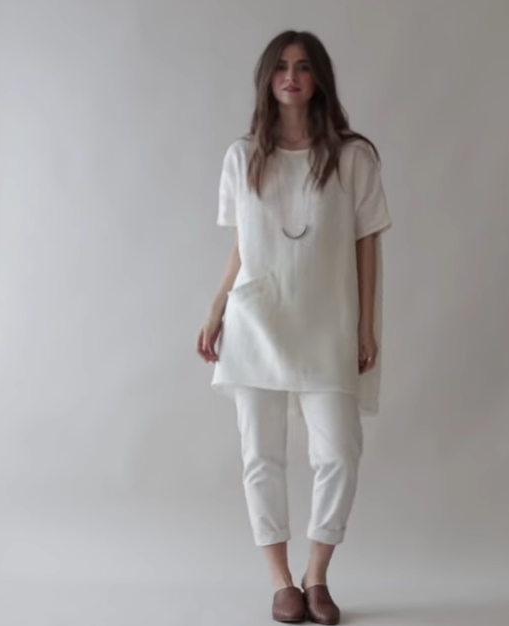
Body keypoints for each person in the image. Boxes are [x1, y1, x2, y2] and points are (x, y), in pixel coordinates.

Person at [197, 30, 392, 625]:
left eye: (304, 66)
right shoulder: (242, 156)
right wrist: (216, 308)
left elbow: (366, 243)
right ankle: (282, 582)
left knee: (340, 454)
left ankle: (317, 575)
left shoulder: (354, 157)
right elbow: (244, 245)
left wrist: (365, 325)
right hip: (256, 319)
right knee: (261, 455)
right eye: (281, 66)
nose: (291, 76)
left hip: (327, 322)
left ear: (318, 78)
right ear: (267, 79)